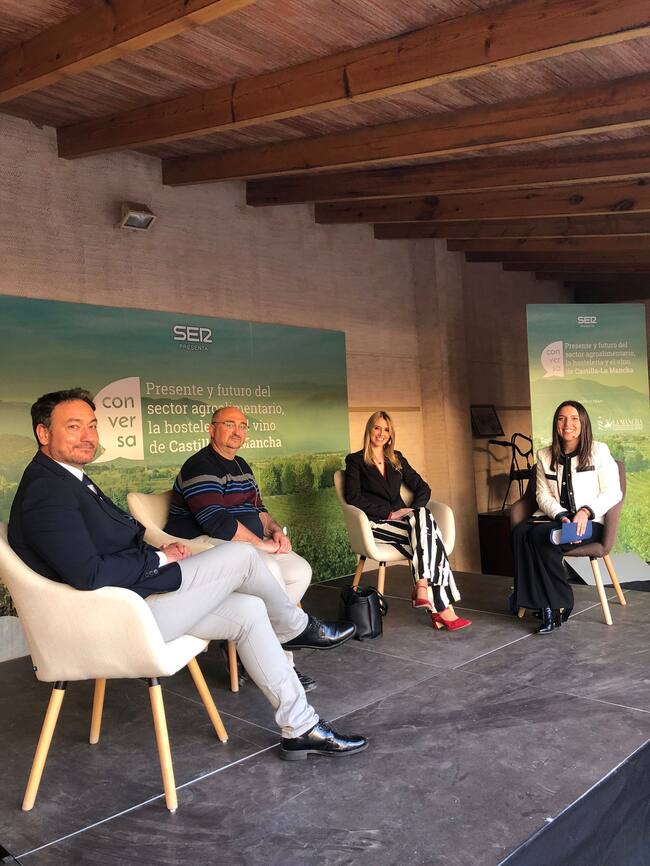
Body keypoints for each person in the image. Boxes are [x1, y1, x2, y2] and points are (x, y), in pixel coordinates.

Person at [8, 389, 368, 760]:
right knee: (242, 557)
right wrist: (159, 559)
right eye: (73, 426)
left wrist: (157, 553)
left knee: (249, 612)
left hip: (134, 603)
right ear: (43, 433)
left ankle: (301, 727)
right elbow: (88, 573)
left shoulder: (68, 478)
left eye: (92, 425)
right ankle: (296, 627)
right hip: (117, 621)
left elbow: (105, 547)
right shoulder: (47, 491)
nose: (88, 436)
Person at [164, 405, 316, 689]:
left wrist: (274, 530)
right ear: (211, 429)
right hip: (200, 544)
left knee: (299, 570)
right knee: (269, 568)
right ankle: (282, 666)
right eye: (230, 424)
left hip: (242, 544)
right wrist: (261, 544)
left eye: (243, 426)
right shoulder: (200, 465)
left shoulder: (241, 465)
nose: (238, 431)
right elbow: (216, 522)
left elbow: (258, 508)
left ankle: (251, 644)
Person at [344, 410, 471, 631]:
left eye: (386, 429)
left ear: (391, 435)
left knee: (423, 517)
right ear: (369, 430)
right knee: (432, 538)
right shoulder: (355, 461)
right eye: (377, 427)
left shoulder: (397, 459)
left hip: (404, 524)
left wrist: (411, 511)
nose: (381, 433)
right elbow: (353, 498)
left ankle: (424, 587)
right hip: (376, 524)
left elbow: (423, 488)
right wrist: (389, 514)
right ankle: (441, 608)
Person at [512, 400, 622, 634]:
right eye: (562, 418)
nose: (567, 424)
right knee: (521, 531)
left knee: (542, 537)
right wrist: (561, 515)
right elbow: (541, 494)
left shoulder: (599, 451)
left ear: (583, 423)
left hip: (590, 524)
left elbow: (613, 492)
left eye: (573, 418)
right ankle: (539, 601)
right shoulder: (544, 455)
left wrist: (585, 511)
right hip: (557, 520)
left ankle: (554, 604)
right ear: (556, 424)